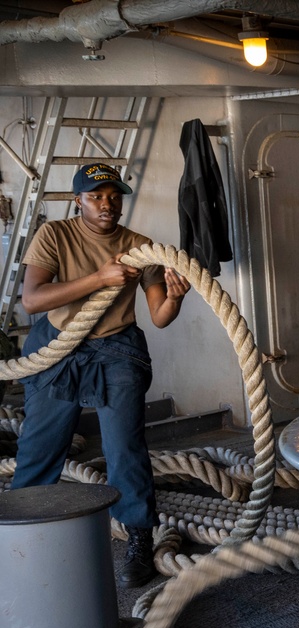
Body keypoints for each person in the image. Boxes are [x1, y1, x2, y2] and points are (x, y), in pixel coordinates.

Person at [11, 162, 191, 589]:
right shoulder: (54, 235)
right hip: (59, 345)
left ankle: (138, 538)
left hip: (115, 348)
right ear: (78, 201)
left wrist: (176, 298)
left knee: (124, 446)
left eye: (113, 196)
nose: (107, 204)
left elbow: (160, 317)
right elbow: (33, 300)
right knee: (41, 444)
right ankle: (20, 540)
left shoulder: (139, 246)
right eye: (96, 197)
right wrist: (99, 278)